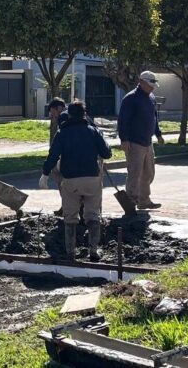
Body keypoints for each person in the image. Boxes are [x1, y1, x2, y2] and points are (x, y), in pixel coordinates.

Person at [39, 101, 112, 261]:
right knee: (93, 215)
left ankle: (70, 252)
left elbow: (53, 155)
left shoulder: (62, 133)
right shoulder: (93, 131)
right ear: (84, 114)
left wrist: (45, 174)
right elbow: (107, 153)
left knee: (70, 217)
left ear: (69, 115)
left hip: (70, 180)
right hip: (92, 179)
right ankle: (93, 251)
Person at [117, 70, 165, 210]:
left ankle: (144, 200)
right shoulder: (130, 98)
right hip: (134, 142)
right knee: (135, 173)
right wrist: (124, 139)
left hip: (147, 142)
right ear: (141, 82)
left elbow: (154, 118)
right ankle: (131, 201)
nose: (152, 87)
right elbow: (123, 120)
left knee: (149, 172)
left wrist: (158, 134)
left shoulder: (151, 97)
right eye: (150, 84)